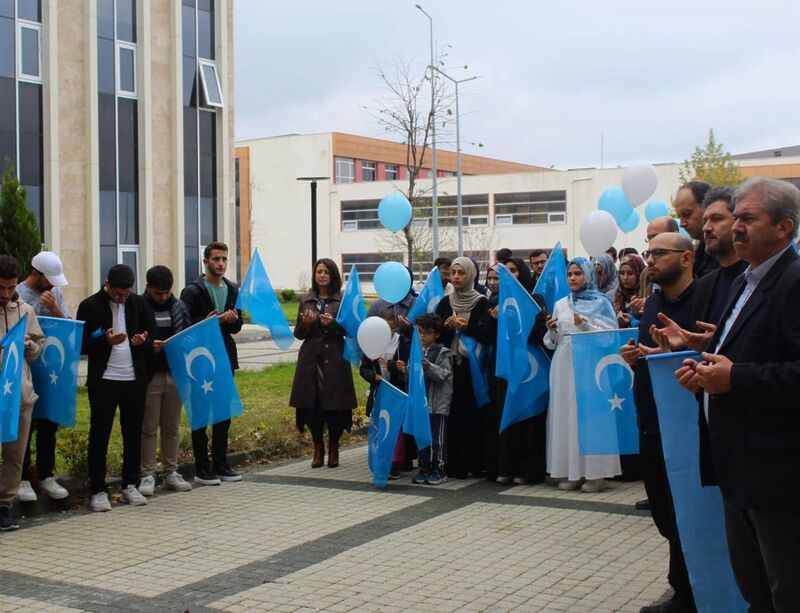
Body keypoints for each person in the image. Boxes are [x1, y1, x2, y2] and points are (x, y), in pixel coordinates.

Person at [675, 177, 800, 611]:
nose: (737, 228)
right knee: (755, 589)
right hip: (739, 465)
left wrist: (736, 378)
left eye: (749, 218)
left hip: (778, 474)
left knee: (788, 589)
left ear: (784, 227)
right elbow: (736, 355)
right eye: (738, 218)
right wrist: (704, 368)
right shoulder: (743, 282)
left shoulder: (794, 282)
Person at [621, 233, 698, 613]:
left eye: (659, 253)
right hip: (651, 418)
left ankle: (689, 592)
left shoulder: (703, 299)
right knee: (665, 513)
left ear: (686, 258)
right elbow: (650, 355)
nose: (650, 260)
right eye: (649, 253)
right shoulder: (652, 302)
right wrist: (634, 355)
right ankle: (681, 586)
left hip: (687, 425)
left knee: (689, 512)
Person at [77, 264, 155, 512]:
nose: (121, 299)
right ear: (107, 284)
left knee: (133, 432)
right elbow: (81, 345)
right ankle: (98, 489)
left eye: (126, 294)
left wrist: (142, 341)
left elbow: (151, 334)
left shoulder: (139, 304)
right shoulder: (90, 306)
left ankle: (130, 483)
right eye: (117, 294)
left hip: (133, 378)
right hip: (104, 379)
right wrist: (105, 341)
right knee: (100, 433)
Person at [544, 257, 620, 492]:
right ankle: (571, 470)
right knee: (566, 413)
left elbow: (611, 338)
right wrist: (551, 330)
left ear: (588, 275)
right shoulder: (560, 304)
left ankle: (596, 473)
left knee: (591, 414)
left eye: (578, 273)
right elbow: (552, 343)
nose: (573, 278)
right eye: (570, 274)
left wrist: (586, 325)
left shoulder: (601, 303)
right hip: (564, 362)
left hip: (590, 363)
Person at [180, 242, 244, 486]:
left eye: (224, 259)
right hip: (200, 360)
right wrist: (211, 321)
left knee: (223, 413)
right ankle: (201, 467)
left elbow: (237, 326)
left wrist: (231, 319)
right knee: (201, 412)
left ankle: (221, 463)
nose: (221, 263)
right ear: (205, 261)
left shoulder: (232, 289)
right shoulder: (193, 291)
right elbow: (185, 327)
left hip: (224, 357)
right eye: (216, 259)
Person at [484, 257, 548, 485]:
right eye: (505, 271)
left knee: (527, 416)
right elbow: (487, 337)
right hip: (503, 366)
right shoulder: (494, 300)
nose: (509, 275)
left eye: (514, 270)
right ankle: (505, 466)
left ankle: (528, 469)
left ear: (522, 273)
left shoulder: (534, 299)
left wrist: (516, 317)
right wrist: (494, 321)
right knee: (503, 413)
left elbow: (541, 334)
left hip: (528, 367)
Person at [290, 258, 357, 469]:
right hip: (311, 358)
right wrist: (306, 324)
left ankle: (334, 447)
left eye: (326, 272)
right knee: (313, 405)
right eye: (319, 271)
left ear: (333, 275)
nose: (322, 275)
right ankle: (317, 447)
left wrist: (335, 325)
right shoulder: (306, 299)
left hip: (336, 357)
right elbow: (299, 333)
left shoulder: (342, 300)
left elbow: (351, 330)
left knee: (335, 405)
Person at [16, 251, 71, 502]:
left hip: (51, 367)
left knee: (49, 420)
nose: (51, 285)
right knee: (26, 422)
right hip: (26, 367)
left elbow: (69, 325)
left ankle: (47, 474)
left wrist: (54, 308)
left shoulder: (55, 294)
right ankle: (22, 478)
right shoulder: (16, 294)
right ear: (35, 273)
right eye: (48, 279)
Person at [138, 266, 192, 496]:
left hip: (175, 373)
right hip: (151, 374)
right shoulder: (139, 306)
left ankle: (171, 471)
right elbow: (134, 337)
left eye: (166, 293)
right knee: (148, 427)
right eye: (158, 293)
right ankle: (147, 474)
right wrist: (150, 345)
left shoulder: (178, 306)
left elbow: (188, 334)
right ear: (148, 287)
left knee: (171, 426)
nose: (162, 297)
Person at [435, 257, 489, 478]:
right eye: (453, 273)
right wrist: (445, 328)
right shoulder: (445, 303)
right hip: (449, 367)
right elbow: (434, 334)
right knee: (452, 414)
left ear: (471, 275)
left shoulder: (482, 302)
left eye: (461, 273)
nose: (455, 277)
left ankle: (474, 463)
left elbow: (487, 334)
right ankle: (453, 463)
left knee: (471, 415)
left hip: (473, 368)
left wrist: (469, 327)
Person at [0, 256, 44, 531]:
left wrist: (30, 348)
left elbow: (38, 345)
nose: (6, 294)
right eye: (1, 288)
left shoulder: (25, 309)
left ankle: (4, 505)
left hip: (20, 396)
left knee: (15, 456)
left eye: (11, 287)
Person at [408, 314, 452, 486]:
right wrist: (405, 369)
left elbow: (445, 375)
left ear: (437, 334)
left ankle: (440, 469)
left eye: (427, 333)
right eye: (420, 332)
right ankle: (424, 467)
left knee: (437, 439)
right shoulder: (416, 351)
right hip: (420, 404)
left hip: (437, 404)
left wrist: (429, 367)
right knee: (422, 437)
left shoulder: (443, 352)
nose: (422, 336)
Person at [674, 181, 718, 278]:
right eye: (679, 217)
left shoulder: (726, 253)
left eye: (687, 214)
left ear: (707, 206)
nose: (682, 224)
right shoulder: (699, 254)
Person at [614, 254, 645, 329]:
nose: (625, 278)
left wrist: (636, 316)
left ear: (639, 273)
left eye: (630, 273)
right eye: (622, 273)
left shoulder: (647, 294)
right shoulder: (617, 296)